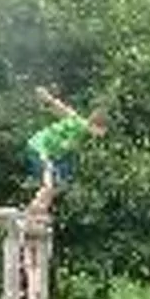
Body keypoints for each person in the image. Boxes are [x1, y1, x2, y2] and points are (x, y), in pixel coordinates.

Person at [26, 86, 107, 215]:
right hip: (39, 147)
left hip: (49, 153)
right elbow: (64, 110)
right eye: (101, 131)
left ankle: (40, 212)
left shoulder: (84, 136)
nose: (101, 136)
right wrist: (48, 99)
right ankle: (29, 213)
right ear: (95, 125)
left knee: (59, 186)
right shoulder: (80, 124)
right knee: (49, 185)